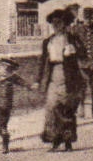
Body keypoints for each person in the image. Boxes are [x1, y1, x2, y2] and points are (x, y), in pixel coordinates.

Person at [37, 9, 86, 151]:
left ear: (65, 24)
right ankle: (54, 140)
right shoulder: (48, 41)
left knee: (66, 109)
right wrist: (38, 79)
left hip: (68, 76)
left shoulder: (72, 38)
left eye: (59, 22)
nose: (56, 25)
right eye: (54, 23)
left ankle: (68, 141)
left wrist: (74, 50)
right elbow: (43, 61)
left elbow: (83, 54)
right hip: (53, 75)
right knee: (52, 108)